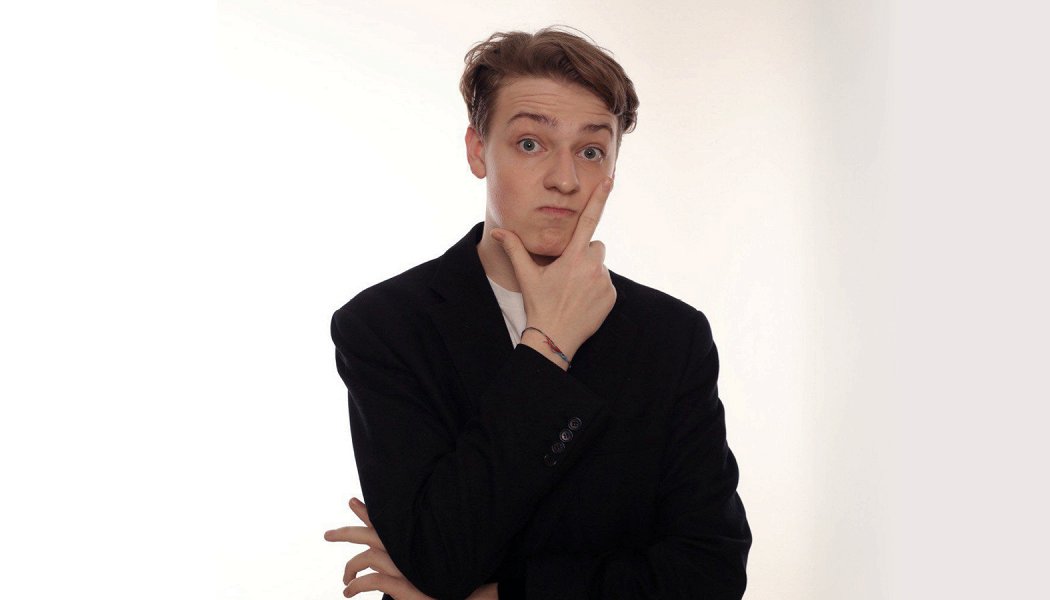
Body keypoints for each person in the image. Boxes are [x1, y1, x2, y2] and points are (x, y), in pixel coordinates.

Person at [324, 27, 751, 599]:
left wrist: (501, 596)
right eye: (530, 143)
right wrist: (546, 346)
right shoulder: (384, 327)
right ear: (478, 150)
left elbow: (710, 573)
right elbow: (438, 557)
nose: (565, 180)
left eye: (591, 151)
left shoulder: (672, 336)